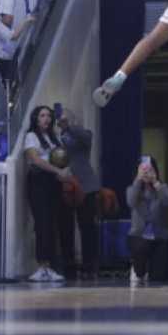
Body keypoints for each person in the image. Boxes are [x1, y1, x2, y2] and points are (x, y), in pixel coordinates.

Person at [22, 105, 71, 283]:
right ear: (36, 118)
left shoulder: (55, 137)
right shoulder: (31, 137)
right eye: (42, 115)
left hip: (53, 183)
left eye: (49, 116)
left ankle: (50, 266)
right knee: (42, 224)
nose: (46, 119)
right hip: (38, 182)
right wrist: (57, 171)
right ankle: (41, 266)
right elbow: (34, 159)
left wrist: (64, 173)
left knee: (52, 225)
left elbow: (64, 158)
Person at [56, 109, 102, 279]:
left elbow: (86, 139)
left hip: (86, 186)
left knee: (87, 228)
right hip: (65, 188)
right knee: (65, 228)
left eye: (67, 117)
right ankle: (68, 266)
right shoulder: (55, 137)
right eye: (61, 118)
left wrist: (70, 126)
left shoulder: (83, 134)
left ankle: (90, 266)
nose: (63, 120)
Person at [125, 157, 168, 286]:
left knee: (159, 277)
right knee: (140, 270)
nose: (146, 173)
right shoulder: (132, 189)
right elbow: (131, 202)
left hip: (158, 236)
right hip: (138, 235)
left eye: (150, 170)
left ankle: (150, 270)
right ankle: (137, 268)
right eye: (143, 170)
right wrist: (138, 180)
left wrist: (156, 182)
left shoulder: (162, 187)